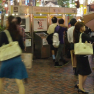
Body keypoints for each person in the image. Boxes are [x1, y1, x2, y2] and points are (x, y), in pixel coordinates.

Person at [0, 16, 28, 94]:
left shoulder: (3, 33)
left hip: (6, 60)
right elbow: (22, 46)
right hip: (17, 60)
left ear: (8, 22)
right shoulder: (17, 33)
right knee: (20, 83)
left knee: (1, 80)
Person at [73, 22, 94, 94]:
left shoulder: (76, 34)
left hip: (79, 55)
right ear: (81, 27)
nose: (85, 27)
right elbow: (91, 39)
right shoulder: (83, 35)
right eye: (84, 26)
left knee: (81, 72)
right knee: (87, 72)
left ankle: (80, 85)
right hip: (83, 56)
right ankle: (80, 87)